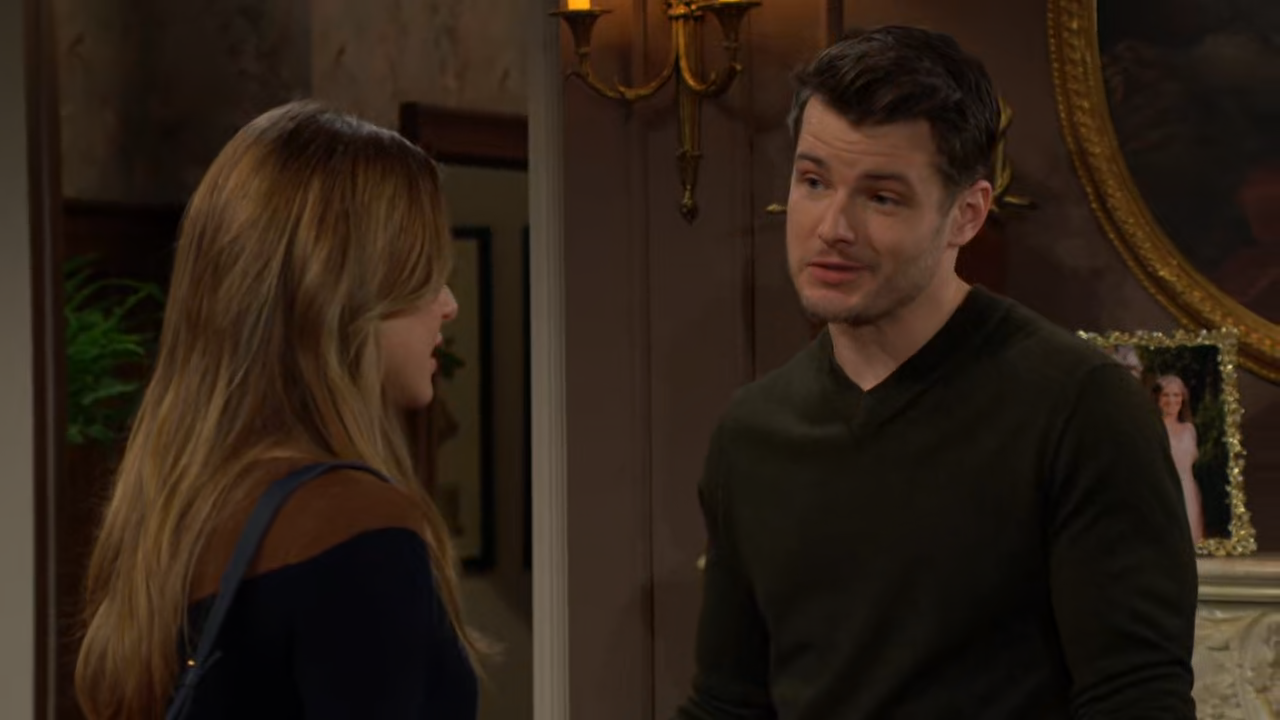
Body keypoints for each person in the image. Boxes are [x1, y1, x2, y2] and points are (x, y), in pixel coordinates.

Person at [672, 26, 1198, 720]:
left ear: (966, 216)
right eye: (813, 181)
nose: (833, 226)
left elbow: (1137, 702)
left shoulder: (1081, 409)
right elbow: (727, 705)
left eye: (882, 197)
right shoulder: (750, 433)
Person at [74, 101, 482, 720]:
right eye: (425, 273)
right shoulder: (356, 523)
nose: (448, 304)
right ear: (342, 292)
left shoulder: (172, 512)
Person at [1156, 374, 1207, 543]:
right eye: (1166, 395)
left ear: (1183, 398)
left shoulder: (1189, 430)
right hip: (1163, 492)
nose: (1171, 400)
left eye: (1176, 395)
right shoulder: (1154, 429)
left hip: (1189, 493)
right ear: (1158, 399)